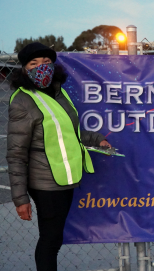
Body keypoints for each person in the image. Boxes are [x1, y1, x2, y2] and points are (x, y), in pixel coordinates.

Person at [7, 42, 111, 271]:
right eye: (33, 64)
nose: (41, 67)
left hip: (64, 177)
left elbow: (67, 132)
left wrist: (95, 139)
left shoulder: (58, 92)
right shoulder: (22, 101)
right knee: (50, 240)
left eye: (46, 62)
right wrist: (20, 198)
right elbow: (16, 153)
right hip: (44, 182)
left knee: (53, 238)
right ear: (24, 69)